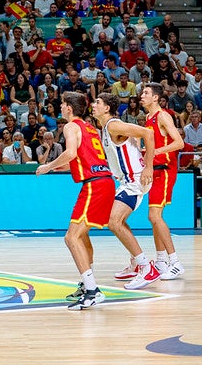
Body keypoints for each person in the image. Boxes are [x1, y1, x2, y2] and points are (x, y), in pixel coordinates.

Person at [36, 92, 115, 310]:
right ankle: (86, 283)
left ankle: (92, 290)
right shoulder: (90, 128)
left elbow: (70, 153)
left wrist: (48, 166)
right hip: (104, 182)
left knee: (71, 237)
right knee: (82, 235)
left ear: (69, 108)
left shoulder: (71, 127)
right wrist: (59, 168)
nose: (60, 107)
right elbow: (81, 158)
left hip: (95, 185)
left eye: (62, 104)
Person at [92, 93, 161, 290]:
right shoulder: (106, 128)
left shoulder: (113, 125)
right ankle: (135, 262)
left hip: (136, 179)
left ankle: (147, 267)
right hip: (127, 179)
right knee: (117, 221)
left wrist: (148, 166)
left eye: (97, 102)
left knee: (113, 222)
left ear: (107, 108)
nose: (93, 105)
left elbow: (148, 133)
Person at [141, 83, 186, 279]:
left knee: (154, 216)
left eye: (146, 93)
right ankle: (160, 262)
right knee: (154, 218)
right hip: (155, 171)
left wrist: (155, 152)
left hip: (166, 170)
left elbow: (179, 142)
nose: (141, 95)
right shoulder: (148, 118)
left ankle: (175, 262)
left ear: (156, 98)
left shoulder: (163, 116)